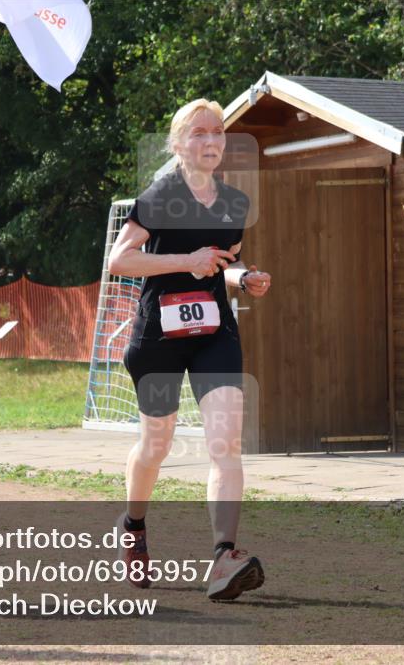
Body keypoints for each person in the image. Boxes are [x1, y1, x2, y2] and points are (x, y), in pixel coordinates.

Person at [107, 98, 273, 601]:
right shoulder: (159, 196)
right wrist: (188, 259)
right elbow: (120, 261)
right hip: (158, 335)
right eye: (199, 132)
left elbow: (221, 264)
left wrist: (244, 278)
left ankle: (225, 555)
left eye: (218, 132)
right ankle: (132, 525)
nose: (212, 141)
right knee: (156, 445)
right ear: (180, 144)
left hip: (213, 333)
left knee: (226, 442)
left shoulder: (234, 204)